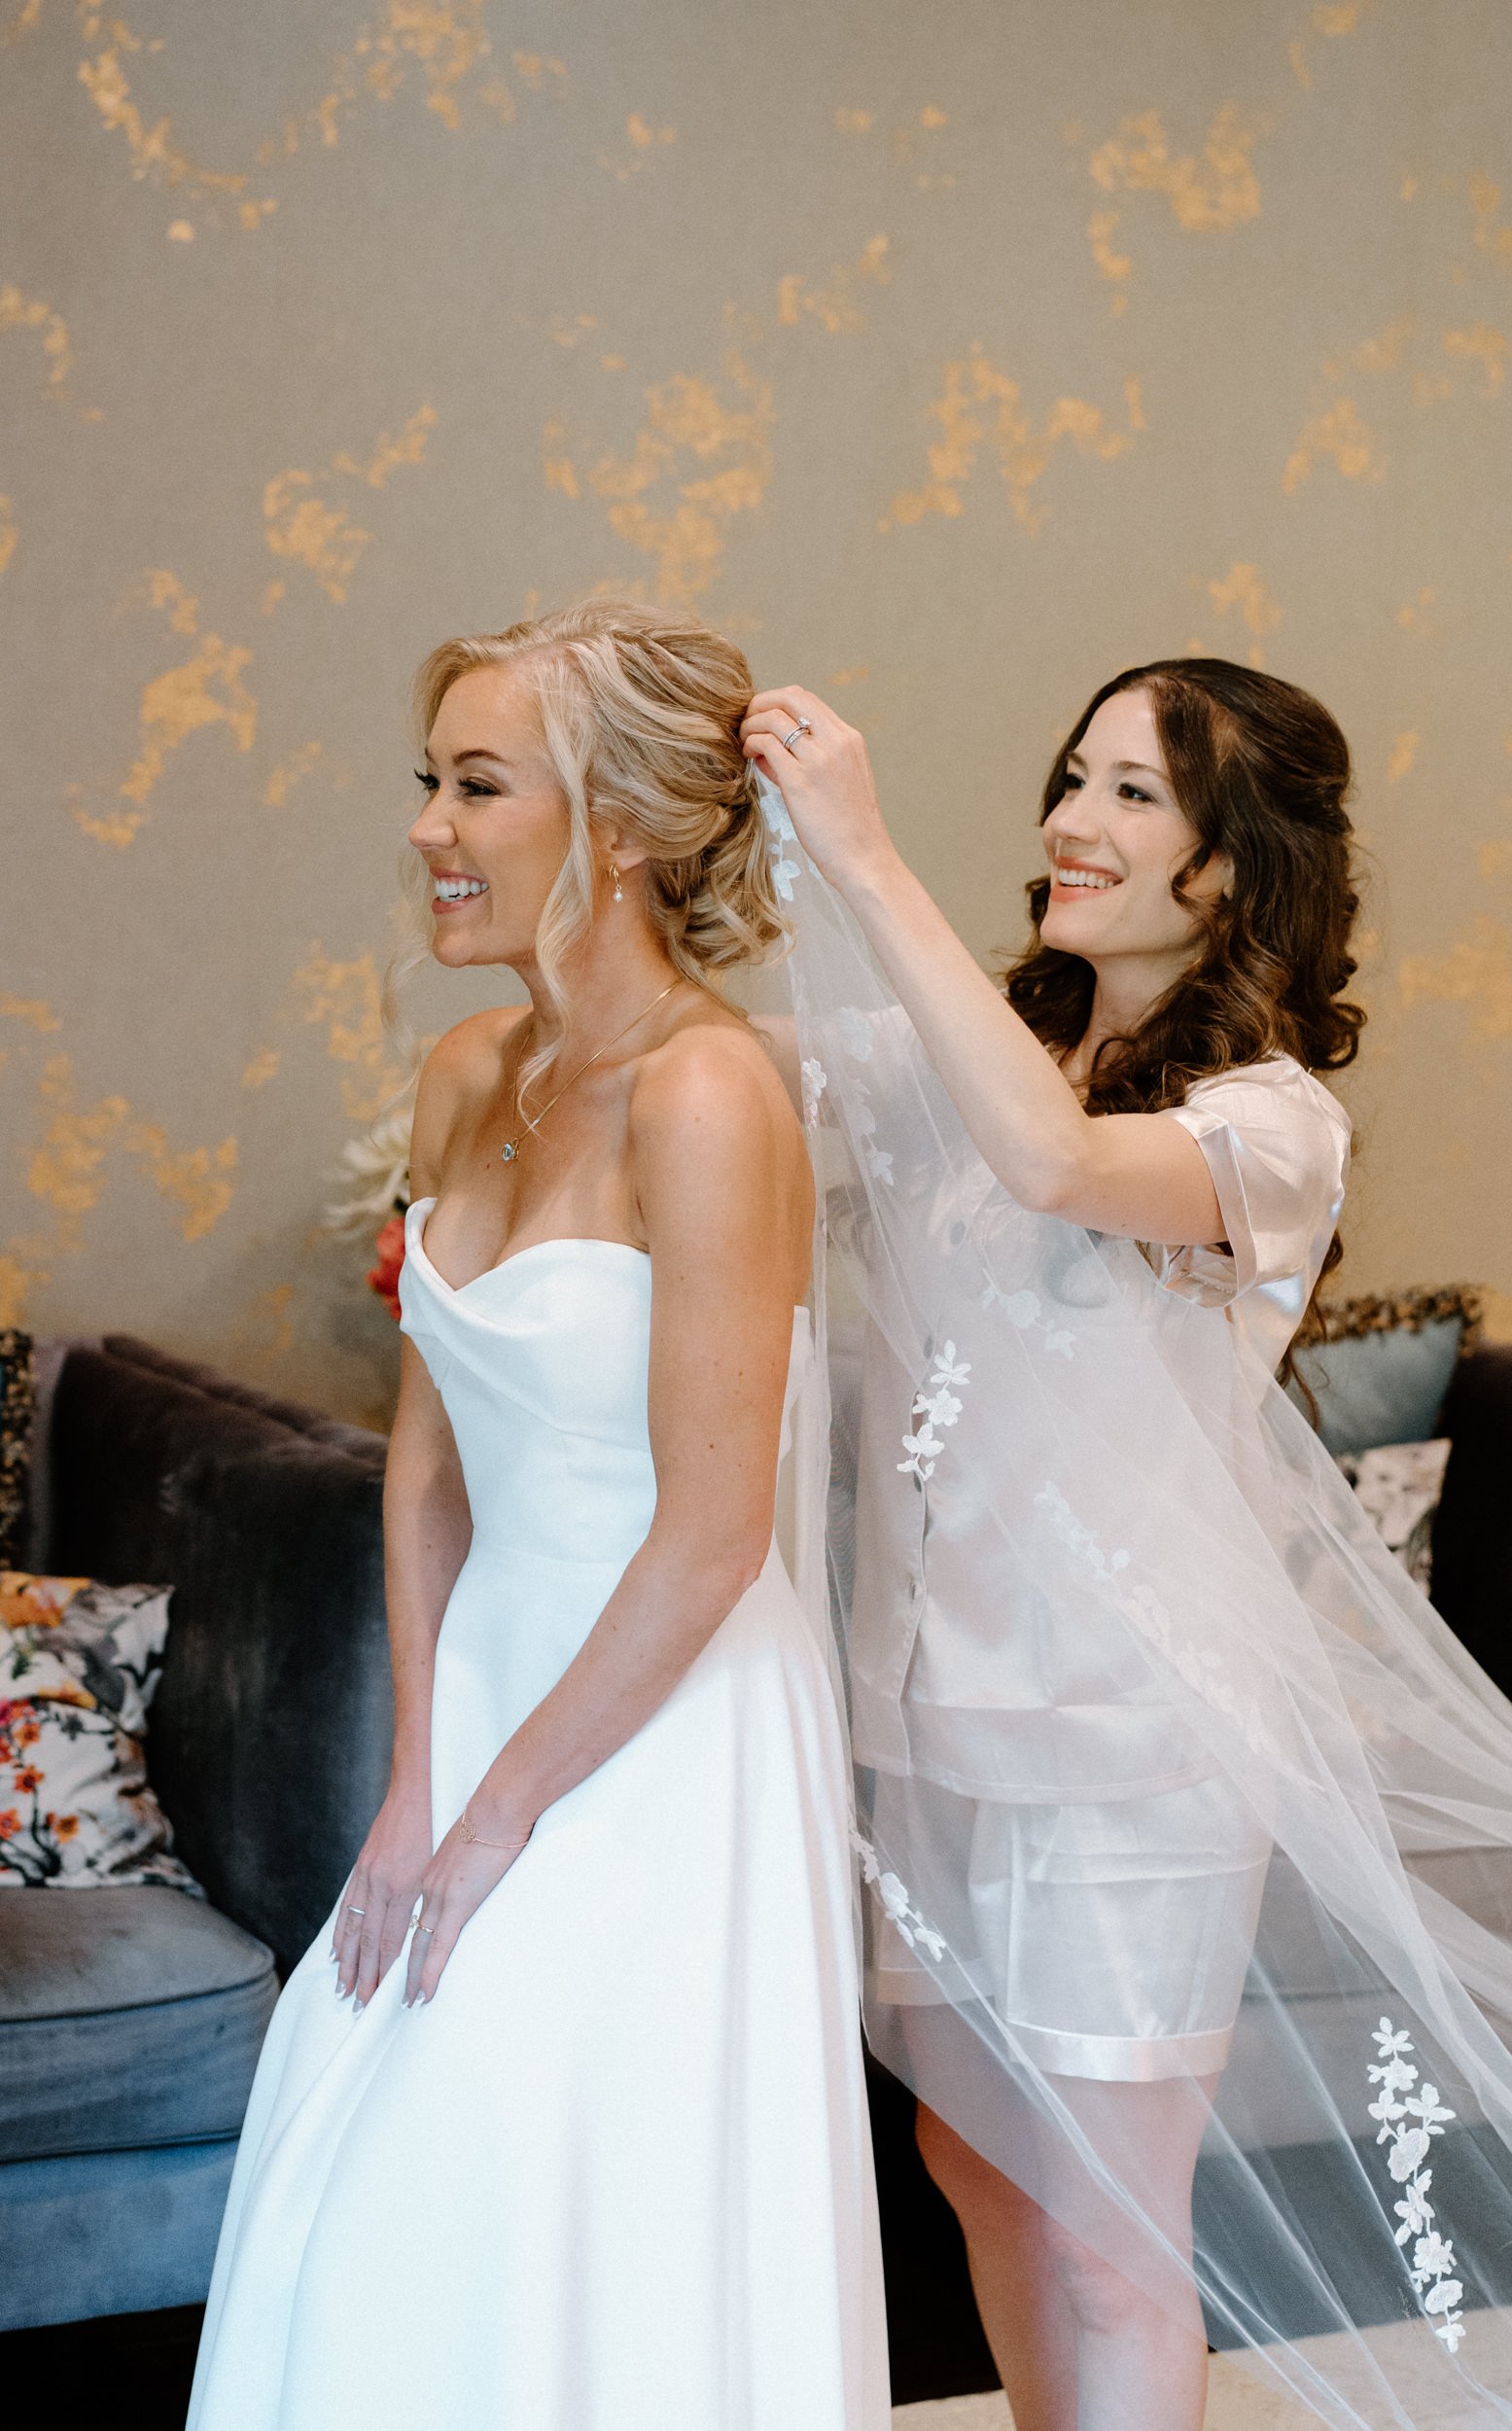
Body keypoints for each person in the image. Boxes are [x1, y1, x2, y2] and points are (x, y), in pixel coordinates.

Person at [742, 661, 1512, 2431]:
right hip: (922, 1720)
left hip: (1131, 1744)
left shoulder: (1273, 1128)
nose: (1073, 821)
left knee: (1111, 2234)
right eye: (1073, 776)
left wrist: (864, 856)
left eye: (1135, 794)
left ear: (1237, 864)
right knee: (975, 2162)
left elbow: (1057, 1164)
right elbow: (736, 1089)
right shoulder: (963, 1051)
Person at [187, 600, 888, 2431]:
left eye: (477, 785)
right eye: (431, 780)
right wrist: (420, 1768)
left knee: (572, 2211)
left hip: (666, 1726)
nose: (426, 826)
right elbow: (427, 1463)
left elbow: (714, 1538)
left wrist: (500, 1817)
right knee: (368, 2211)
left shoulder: (715, 1096)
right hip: (489, 1694)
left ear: (627, 827)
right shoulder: (467, 1076)